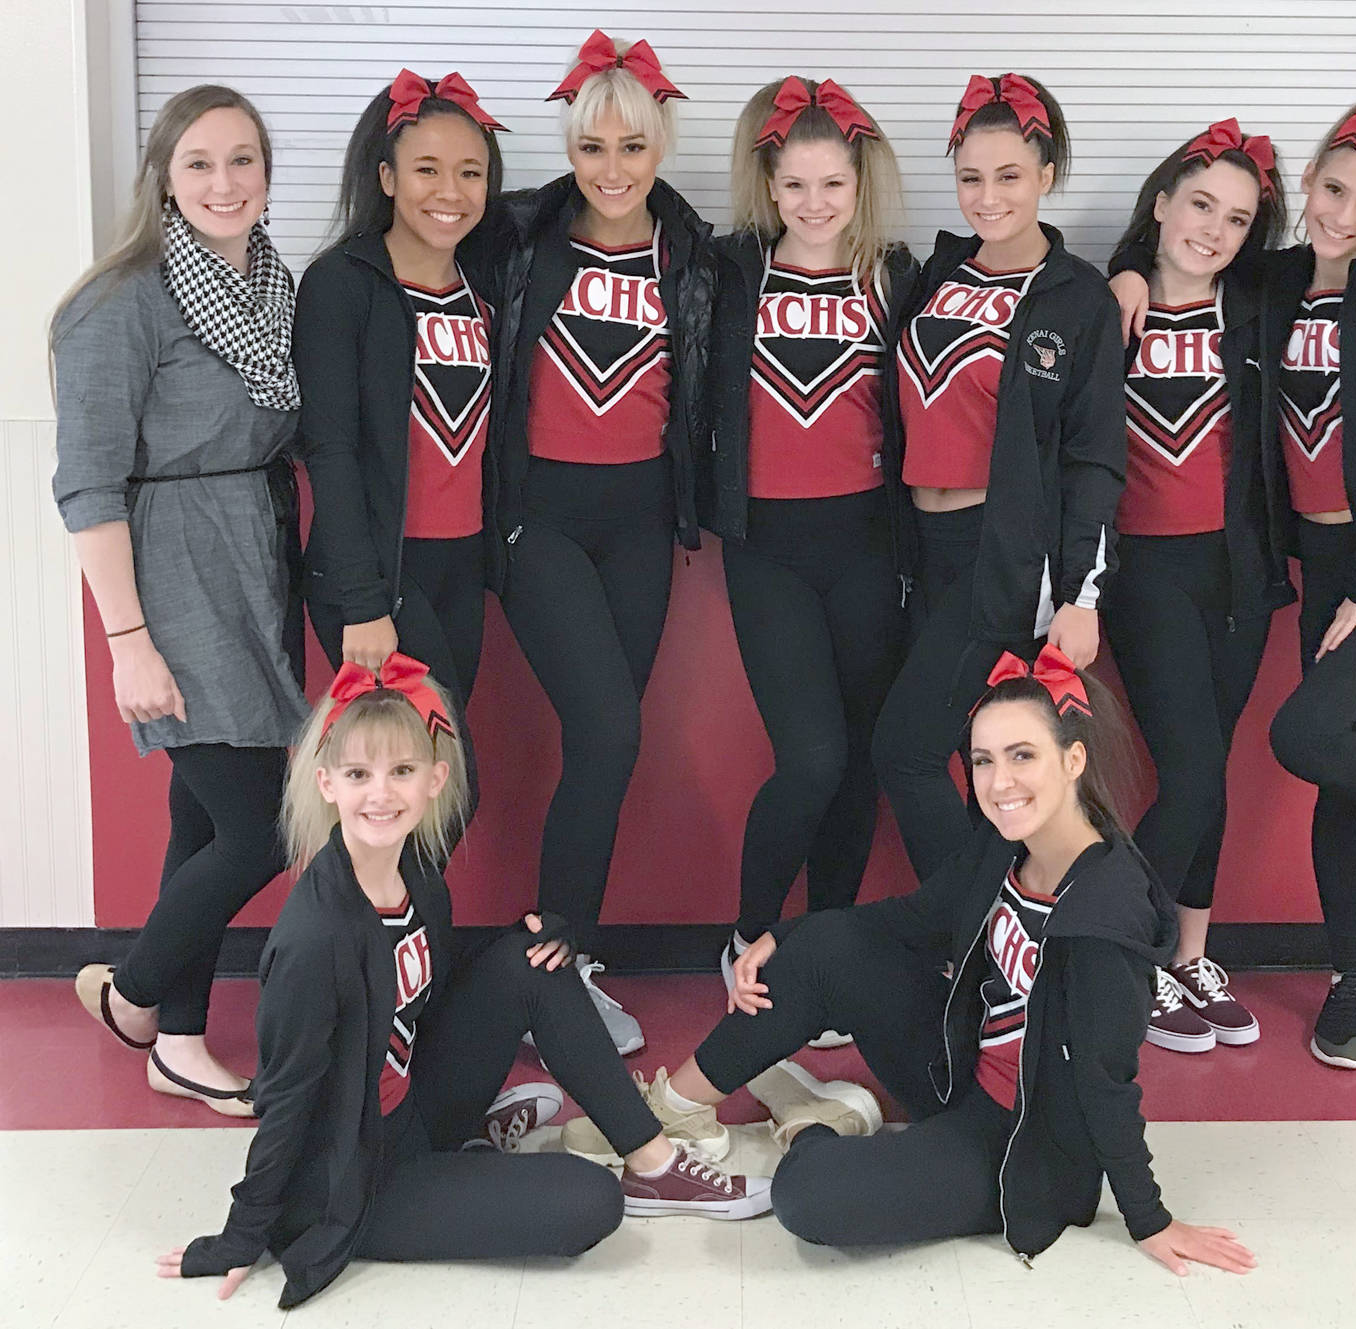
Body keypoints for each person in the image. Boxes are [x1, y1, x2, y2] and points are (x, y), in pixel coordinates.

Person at [563, 647, 1254, 1277]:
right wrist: (788, 936)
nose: (998, 781)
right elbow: (920, 918)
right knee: (824, 945)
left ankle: (813, 1120)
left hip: (1019, 1142)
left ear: (1073, 760)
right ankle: (671, 1111)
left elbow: (1108, 1081)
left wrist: (1149, 1218)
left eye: (1022, 756)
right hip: (955, 1069)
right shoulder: (1005, 843)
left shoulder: (1105, 913)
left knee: (809, 1201)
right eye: (982, 760)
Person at [156, 655, 770, 1309]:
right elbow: (284, 1100)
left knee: (534, 955)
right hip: (358, 1178)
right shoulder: (315, 940)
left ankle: (653, 1167)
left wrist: (533, 936)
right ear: (327, 782)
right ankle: (467, 1158)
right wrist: (241, 1234)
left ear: (434, 780)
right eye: (359, 774)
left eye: (401, 772)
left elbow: (423, 980)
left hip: (410, 1109)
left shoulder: (415, 872)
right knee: (587, 1202)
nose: (380, 794)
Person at [1111, 88, 1356, 1070]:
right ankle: (1352, 978)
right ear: (1310, 182)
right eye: (1331, 190)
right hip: (1320, 564)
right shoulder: (1276, 285)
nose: (1342, 215)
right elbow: (1178, 250)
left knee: (1305, 733)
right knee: (1336, 764)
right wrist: (1118, 273)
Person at [54, 85, 309, 1115]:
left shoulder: (268, 286)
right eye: (199, 162)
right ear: (163, 175)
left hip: (253, 553)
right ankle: (134, 992)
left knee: (202, 825)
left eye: (242, 160)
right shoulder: (119, 303)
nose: (223, 182)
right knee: (264, 828)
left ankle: (182, 1041)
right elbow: (86, 484)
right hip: (171, 572)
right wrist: (130, 642)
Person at [481, 31, 714, 1054]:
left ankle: (562, 964)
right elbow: (401, 260)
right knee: (610, 734)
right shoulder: (518, 235)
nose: (611, 170)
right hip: (541, 523)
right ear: (567, 149)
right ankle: (557, 964)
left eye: (631, 147)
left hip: (639, 524)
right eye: (591, 148)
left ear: (660, 144)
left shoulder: (694, 250)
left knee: (603, 750)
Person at [871, 73, 1126, 881]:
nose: (987, 197)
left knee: (904, 753)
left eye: (1009, 176)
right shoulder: (936, 273)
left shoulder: (1077, 296)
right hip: (923, 551)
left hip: (1002, 560)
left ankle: (968, 932)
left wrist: (1083, 596)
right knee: (973, 761)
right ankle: (998, 940)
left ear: (1046, 177)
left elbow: (1093, 455)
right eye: (970, 177)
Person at [706, 77, 917, 1043]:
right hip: (768, 552)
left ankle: (825, 941)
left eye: (833, 183)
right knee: (812, 756)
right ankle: (749, 933)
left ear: (861, 182)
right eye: (796, 184)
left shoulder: (899, 273)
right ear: (769, 183)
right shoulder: (727, 271)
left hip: (870, 545)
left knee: (863, 758)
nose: (816, 203)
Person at [1099, 120, 1291, 1054]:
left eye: (1237, 218)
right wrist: (1131, 267)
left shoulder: (1256, 308)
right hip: (1145, 572)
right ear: (1162, 203)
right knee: (1192, 771)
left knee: (1208, 768)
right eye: (1200, 204)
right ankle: (1118, 961)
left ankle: (1186, 955)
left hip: (1239, 570)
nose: (1212, 230)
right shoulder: (1108, 305)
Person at [293, 69, 508, 832]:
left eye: (470, 171)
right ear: (385, 177)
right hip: (378, 578)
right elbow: (330, 448)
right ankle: (359, 946)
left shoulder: (485, 286)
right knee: (442, 788)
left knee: (422, 797)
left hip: (459, 568)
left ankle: (396, 948)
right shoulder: (341, 284)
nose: (449, 190)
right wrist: (364, 600)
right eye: (425, 169)